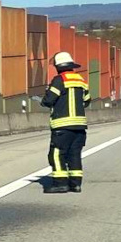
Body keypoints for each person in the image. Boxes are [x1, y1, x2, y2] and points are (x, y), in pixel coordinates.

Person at [41, 52, 91, 194]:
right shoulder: (81, 80)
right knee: (74, 154)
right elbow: (87, 100)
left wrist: (45, 98)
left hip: (62, 126)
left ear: (58, 66)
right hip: (80, 127)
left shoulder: (59, 80)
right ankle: (75, 185)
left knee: (57, 154)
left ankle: (60, 183)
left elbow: (48, 100)